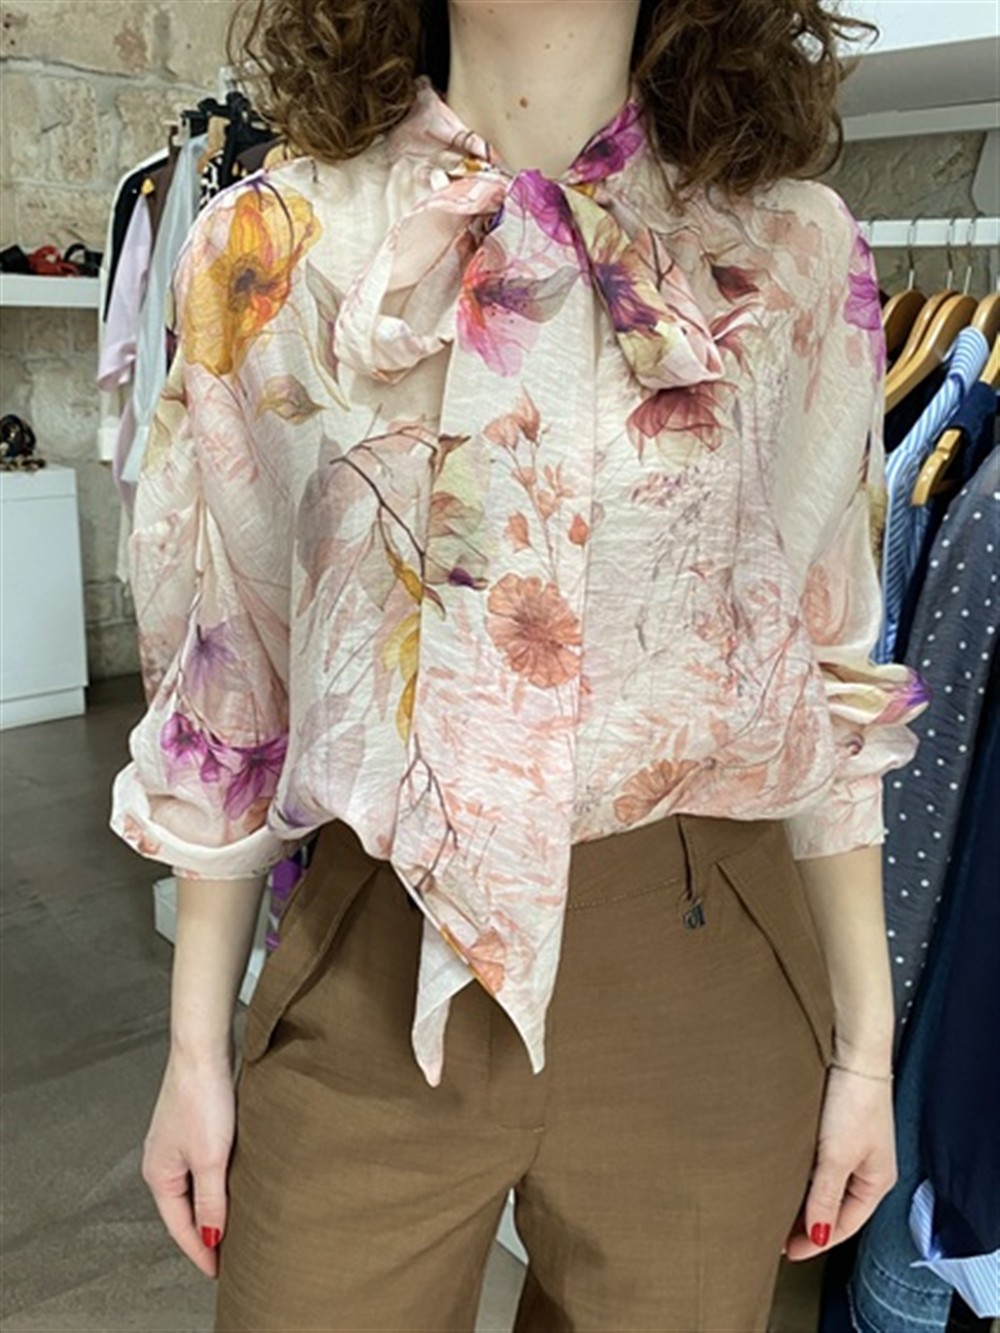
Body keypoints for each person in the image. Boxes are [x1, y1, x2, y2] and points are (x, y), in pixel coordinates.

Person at [109, 1, 933, 1328]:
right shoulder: (275, 243)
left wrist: (866, 1048)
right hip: (370, 955)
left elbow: (829, 664)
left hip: (697, 965)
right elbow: (232, 679)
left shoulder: (789, 251)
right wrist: (195, 1047)